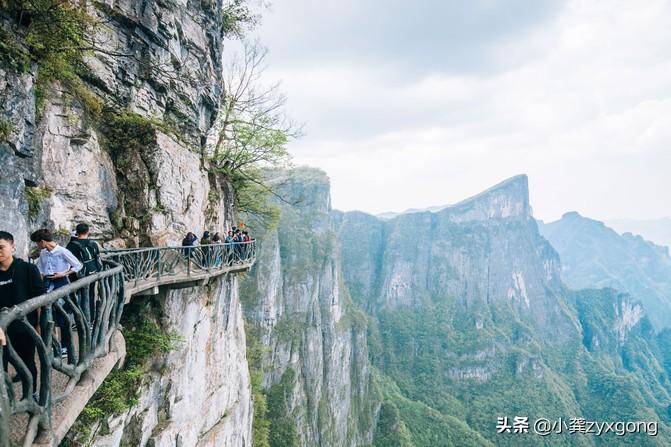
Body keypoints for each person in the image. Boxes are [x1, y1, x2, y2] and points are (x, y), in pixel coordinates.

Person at [0, 231, 46, 395]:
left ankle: (31, 394)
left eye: (1, 247)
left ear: (13, 247)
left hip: (25, 328)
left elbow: (40, 300)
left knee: (28, 362)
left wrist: (40, 325)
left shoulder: (28, 269)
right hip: (1, 332)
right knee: (1, 366)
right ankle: (6, 401)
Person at [30, 228, 82, 361]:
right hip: (47, 284)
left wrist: (63, 274)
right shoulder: (43, 253)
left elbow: (77, 265)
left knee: (62, 316)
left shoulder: (62, 251)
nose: (37, 245)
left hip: (61, 283)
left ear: (42, 241)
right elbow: (40, 270)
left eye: (37, 243)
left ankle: (65, 347)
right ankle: (53, 344)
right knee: (48, 315)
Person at [66, 223, 102, 321]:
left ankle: (77, 320)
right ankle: (90, 319)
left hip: (77, 275)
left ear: (76, 232)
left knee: (75, 295)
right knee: (90, 295)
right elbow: (97, 258)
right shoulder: (93, 244)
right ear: (88, 231)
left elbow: (67, 261)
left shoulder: (71, 245)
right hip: (92, 273)